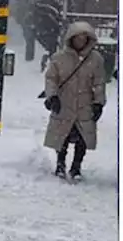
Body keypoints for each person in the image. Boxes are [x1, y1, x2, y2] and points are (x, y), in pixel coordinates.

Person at [42, 21, 107, 180]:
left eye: (84, 38)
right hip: (65, 102)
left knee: (83, 138)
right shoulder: (59, 58)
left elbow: (99, 82)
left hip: (85, 104)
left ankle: (76, 166)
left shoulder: (95, 59)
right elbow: (51, 79)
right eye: (78, 37)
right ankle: (60, 164)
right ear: (71, 38)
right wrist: (52, 96)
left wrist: (98, 103)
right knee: (62, 136)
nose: (81, 41)